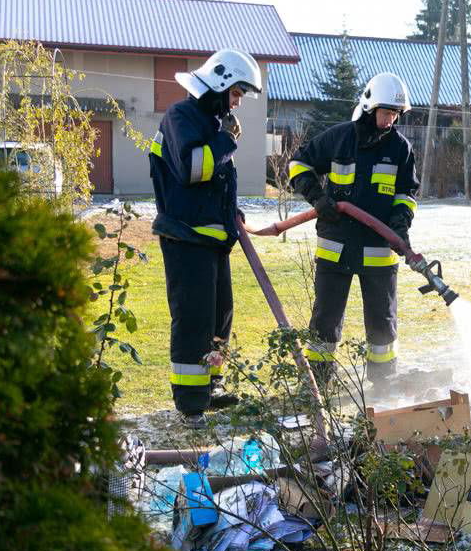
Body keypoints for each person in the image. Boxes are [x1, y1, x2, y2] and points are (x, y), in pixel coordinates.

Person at [148, 49, 262, 428]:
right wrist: (227, 142)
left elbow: (216, 184)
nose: (237, 103)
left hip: (211, 239)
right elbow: (195, 170)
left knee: (219, 318)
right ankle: (191, 404)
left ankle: (210, 387)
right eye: (235, 94)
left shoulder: (210, 123)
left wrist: (231, 213)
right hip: (185, 237)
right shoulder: (182, 116)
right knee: (193, 319)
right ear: (218, 83)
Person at [286, 72, 419, 388]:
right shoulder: (339, 138)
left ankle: (383, 385)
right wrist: (318, 198)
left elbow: (406, 194)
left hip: (379, 251)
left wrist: (400, 226)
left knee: (382, 324)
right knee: (324, 321)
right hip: (336, 246)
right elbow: (298, 165)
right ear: (370, 108)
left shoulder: (401, 149)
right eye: (386, 113)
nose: (390, 120)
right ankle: (317, 385)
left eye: (395, 114)